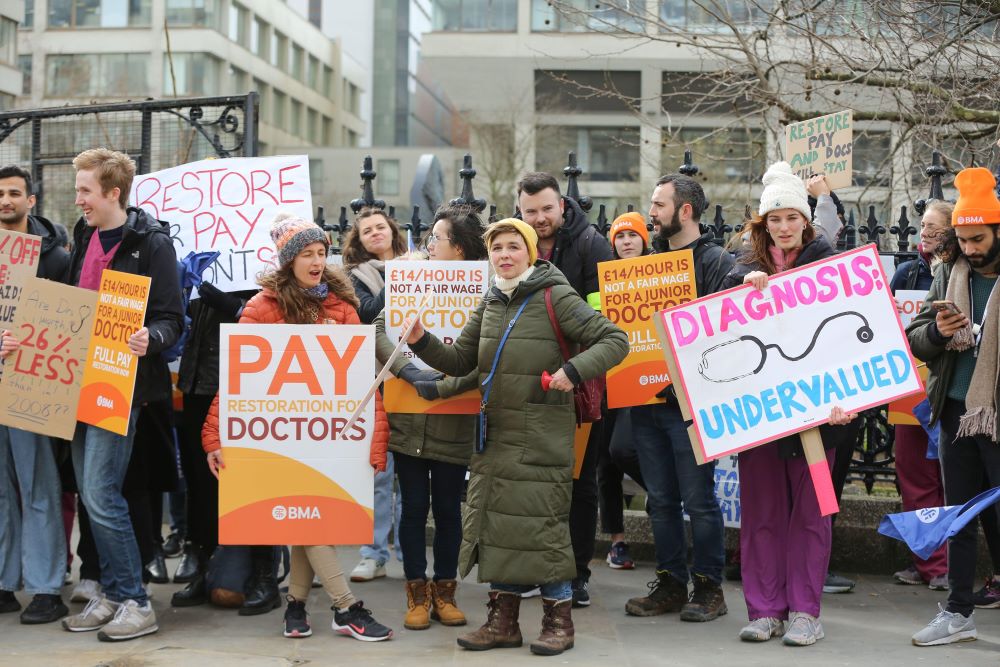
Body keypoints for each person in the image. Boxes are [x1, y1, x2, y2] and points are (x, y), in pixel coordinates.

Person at [403, 218, 627, 656]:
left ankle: (558, 622)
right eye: (497, 248)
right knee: (498, 529)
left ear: (530, 252)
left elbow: (615, 340)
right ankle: (502, 623)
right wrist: (422, 340)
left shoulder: (554, 295)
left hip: (541, 438)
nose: (504, 255)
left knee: (543, 529)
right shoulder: (491, 301)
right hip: (497, 437)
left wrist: (572, 371)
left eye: (513, 247)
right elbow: (463, 360)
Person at [200, 214, 393, 642]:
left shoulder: (342, 309)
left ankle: (296, 605)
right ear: (288, 261)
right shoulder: (261, 308)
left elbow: (364, 380)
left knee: (314, 518)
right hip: (280, 435)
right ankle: (346, 607)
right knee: (307, 521)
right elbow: (236, 378)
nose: (317, 261)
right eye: (307, 253)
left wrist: (376, 439)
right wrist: (214, 436)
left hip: (329, 436)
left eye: (322, 253)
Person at [721, 161, 857, 647]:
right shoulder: (738, 268)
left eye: (791, 217)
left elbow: (851, 338)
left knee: (814, 514)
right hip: (760, 423)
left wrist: (850, 401)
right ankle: (764, 610)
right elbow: (716, 330)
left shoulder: (830, 265)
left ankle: (805, 611)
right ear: (762, 223)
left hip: (824, 421)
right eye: (774, 219)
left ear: (806, 220)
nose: (783, 227)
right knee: (761, 513)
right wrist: (741, 294)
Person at [59, 148, 184, 641]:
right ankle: (112, 592)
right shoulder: (84, 233)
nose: (79, 199)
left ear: (113, 193)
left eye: (86, 190)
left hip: (121, 384)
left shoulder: (153, 243)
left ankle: (134, 600)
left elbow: (173, 318)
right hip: (77, 378)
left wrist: (149, 338)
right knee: (91, 494)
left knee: (102, 492)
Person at [625, 174, 732, 622]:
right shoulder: (646, 262)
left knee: (699, 499)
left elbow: (720, 330)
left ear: (684, 211)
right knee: (660, 500)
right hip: (645, 399)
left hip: (690, 405)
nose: (651, 212)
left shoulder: (715, 261)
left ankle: (709, 588)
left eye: (658, 205)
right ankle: (671, 581)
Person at [375, 205, 483, 631]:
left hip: (454, 415)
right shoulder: (410, 277)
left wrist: (444, 384)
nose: (428, 244)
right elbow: (378, 330)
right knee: (413, 507)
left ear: (458, 248)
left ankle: (445, 591)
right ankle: (416, 593)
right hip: (408, 416)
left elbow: (482, 354)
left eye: (437, 238)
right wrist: (409, 372)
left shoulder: (482, 289)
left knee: (450, 512)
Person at [908, 167, 1000, 646]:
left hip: (997, 415)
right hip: (954, 412)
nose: (970, 248)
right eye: (963, 239)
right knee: (958, 515)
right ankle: (959, 612)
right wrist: (936, 334)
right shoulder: (947, 272)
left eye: (979, 239)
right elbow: (917, 341)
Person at [517, 172, 614, 606]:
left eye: (546, 209)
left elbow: (606, 318)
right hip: (527, 386)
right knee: (533, 481)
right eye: (530, 211)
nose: (539, 218)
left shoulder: (592, 244)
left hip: (581, 386)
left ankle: (577, 573)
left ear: (562, 206)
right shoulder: (511, 242)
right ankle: (536, 568)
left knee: (579, 484)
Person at [0, 165, 71, 624]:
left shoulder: (57, 259)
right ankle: (4, 583)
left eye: (13, 193)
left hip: (33, 382)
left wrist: (27, 337)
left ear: (31, 200)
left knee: (39, 486)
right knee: (1, 491)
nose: (4, 201)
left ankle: (47, 588)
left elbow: (70, 322)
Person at [889, 200, 952, 591]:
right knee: (913, 478)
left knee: (950, 480)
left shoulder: (962, 272)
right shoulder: (905, 272)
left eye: (934, 227)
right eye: (921, 225)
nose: (924, 233)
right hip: (910, 392)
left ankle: (947, 563)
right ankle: (927, 561)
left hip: (948, 390)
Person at [342, 207, 406, 582]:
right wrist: (404, 281)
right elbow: (366, 315)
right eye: (367, 231)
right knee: (380, 472)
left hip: (418, 378)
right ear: (360, 240)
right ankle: (374, 552)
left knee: (416, 475)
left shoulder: (423, 266)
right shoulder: (355, 277)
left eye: (380, 227)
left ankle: (408, 552)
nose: (375, 233)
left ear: (392, 231)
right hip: (377, 380)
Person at [600, 212, 651, 569]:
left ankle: (663, 493)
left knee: (623, 449)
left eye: (633, 235)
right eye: (620, 237)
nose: (627, 242)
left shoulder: (659, 272)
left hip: (643, 377)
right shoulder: (602, 276)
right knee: (605, 462)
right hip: (605, 376)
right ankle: (617, 542)